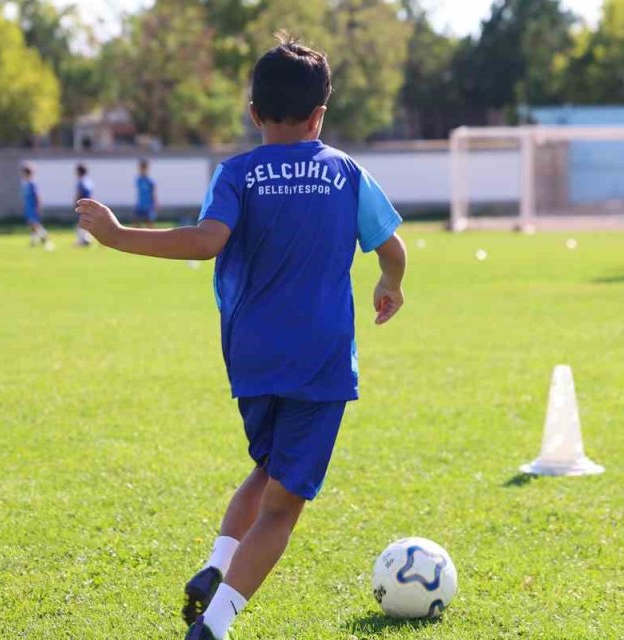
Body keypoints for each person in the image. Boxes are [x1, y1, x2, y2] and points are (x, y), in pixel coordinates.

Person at [73, 33, 407, 640]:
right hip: (321, 363)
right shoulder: (346, 175)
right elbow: (393, 248)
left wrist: (121, 236)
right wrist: (390, 282)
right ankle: (217, 624)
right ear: (320, 115)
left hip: (252, 358)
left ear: (253, 113)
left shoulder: (236, 174)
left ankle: (216, 566)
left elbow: (206, 242)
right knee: (282, 505)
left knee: (266, 468)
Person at [21, 163, 48, 247]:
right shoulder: (25, 184)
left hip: (33, 207)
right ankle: (33, 241)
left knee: (34, 224)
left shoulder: (32, 184)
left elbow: (37, 196)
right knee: (32, 225)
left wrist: (38, 207)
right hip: (28, 207)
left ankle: (44, 235)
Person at [74, 164, 95, 247]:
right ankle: (86, 239)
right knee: (86, 222)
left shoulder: (81, 182)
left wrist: (76, 203)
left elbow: (79, 193)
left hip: (83, 204)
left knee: (82, 222)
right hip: (89, 204)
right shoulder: (89, 181)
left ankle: (82, 241)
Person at [134, 158, 158, 228]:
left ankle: (155, 237)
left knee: (150, 224)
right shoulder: (139, 180)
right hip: (140, 205)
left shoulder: (150, 181)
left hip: (148, 206)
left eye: (143, 168)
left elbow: (153, 193)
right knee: (136, 223)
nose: (141, 170)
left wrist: (155, 204)